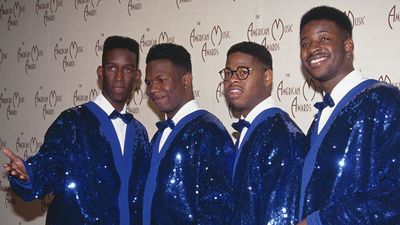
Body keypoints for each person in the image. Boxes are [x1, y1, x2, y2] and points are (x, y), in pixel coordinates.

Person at [2, 36, 150, 225]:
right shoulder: (72, 121)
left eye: (127, 69)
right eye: (112, 68)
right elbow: (49, 164)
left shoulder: (140, 132)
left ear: (137, 76)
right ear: (101, 72)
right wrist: (29, 175)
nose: (119, 76)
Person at [297, 6, 400, 225]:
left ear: (348, 45)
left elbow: (394, 194)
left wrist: (320, 221)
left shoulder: (383, 100)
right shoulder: (321, 115)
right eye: (305, 43)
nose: (313, 48)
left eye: (323, 39)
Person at [143, 43, 235, 225]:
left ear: (186, 80)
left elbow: (219, 209)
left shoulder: (209, 131)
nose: (153, 89)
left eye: (161, 80)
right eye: (149, 82)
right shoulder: (158, 135)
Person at [220, 41, 306, 225]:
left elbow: (281, 217)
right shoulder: (251, 129)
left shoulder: (282, 134)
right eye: (228, 73)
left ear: (267, 77)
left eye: (243, 72)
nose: (233, 79)